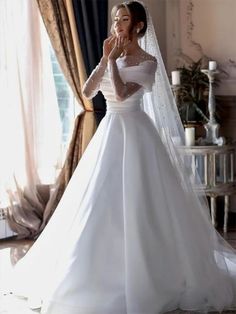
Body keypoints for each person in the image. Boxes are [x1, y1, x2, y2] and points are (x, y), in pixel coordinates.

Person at [3, 1, 236, 313]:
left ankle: (151, 271)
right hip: (110, 131)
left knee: (140, 202)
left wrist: (112, 62)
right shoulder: (110, 55)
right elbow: (87, 92)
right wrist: (103, 59)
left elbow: (123, 93)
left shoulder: (149, 61)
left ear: (138, 26)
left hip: (136, 133)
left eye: (124, 18)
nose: (117, 23)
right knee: (99, 199)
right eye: (115, 18)